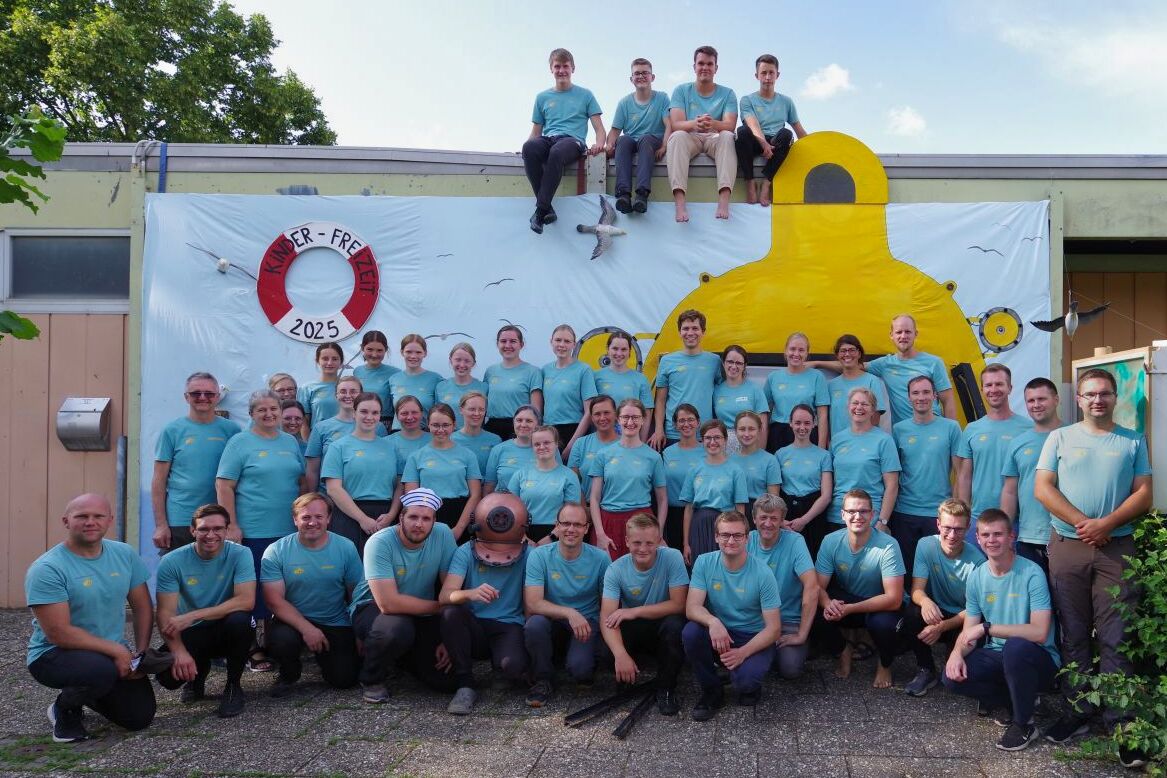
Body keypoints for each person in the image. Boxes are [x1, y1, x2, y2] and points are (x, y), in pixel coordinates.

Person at [1035, 368, 1152, 756]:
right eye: (1090, 394)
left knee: (1116, 635)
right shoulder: (1059, 437)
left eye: (1104, 393)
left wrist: (1107, 524)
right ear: (1079, 399)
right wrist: (1084, 524)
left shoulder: (1133, 440)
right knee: (1074, 632)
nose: (1097, 400)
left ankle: (1121, 723)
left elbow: (1144, 493)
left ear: (1115, 397)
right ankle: (1077, 710)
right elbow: (1043, 488)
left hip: (1116, 547)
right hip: (1068, 546)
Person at [26, 495, 160, 742]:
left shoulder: (124, 554)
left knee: (138, 717)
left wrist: (139, 656)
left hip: (106, 655)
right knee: (100, 670)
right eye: (82, 516)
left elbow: (142, 607)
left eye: (98, 516)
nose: (90, 522)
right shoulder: (47, 568)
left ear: (109, 520)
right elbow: (59, 633)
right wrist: (117, 651)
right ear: (66, 521)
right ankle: (65, 709)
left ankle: (91, 690)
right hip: (53, 654)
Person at [941, 509, 1060, 752]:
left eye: (998, 534)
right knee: (951, 678)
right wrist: (955, 653)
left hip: (1038, 658)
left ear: (1011, 536)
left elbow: (1039, 632)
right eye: (986, 535)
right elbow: (968, 632)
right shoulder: (977, 577)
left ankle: (1024, 724)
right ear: (977, 538)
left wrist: (987, 628)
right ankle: (1019, 702)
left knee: (1015, 647)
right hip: (1000, 655)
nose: (992, 540)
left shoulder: (1032, 573)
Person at [215, 390, 307, 670]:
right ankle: (251, 647)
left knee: (279, 589)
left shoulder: (290, 441)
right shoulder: (240, 443)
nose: (269, 414)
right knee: (253, 591)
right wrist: (231, 524)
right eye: (262, 410)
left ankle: (274, 643)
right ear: (252, 414)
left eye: (273, 409)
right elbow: (224, 485)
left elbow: (301, 480)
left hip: (288, 530)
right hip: (254, 530)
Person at [349, 488, 458, 703]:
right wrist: (441, 607)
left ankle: (402, 660)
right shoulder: (380, 542)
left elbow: (451, 587)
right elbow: (388, 604)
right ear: (401, 518)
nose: (419, 524)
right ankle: (371, 678)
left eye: (426, 519)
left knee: (447, 681)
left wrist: (449, 636)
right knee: (395, 630)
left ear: (434, 521)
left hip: (421, 610)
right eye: (413, 517)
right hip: (374, 606)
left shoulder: (443, 534)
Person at [154, 504, 254, 718]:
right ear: (192, 531)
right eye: (203, 529)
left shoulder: (241, 554)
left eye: (218, 529)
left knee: (241, 621)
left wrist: (194, 615)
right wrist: (179, 652)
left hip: (225, 627)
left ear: (227, 530)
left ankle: (233, 686)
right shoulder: (171, 561)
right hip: (192, 632)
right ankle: (197, 675)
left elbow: (246, 601)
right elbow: (164, 613)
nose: (211, 535)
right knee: (167, 678)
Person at [261, 493, 362, 696]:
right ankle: (289, 673)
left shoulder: (346, 547)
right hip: (292, 621)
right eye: (306, 517)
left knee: (344, 680)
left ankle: (327, 660)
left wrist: (360, 633)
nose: (312, 522)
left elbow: (356, 593)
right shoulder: (276, 551)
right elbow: (274, 601)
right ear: (295, 519)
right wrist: (308, 629)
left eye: (319, 517)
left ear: (329, 518)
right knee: (282, 641)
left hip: (334, 620)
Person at [438, 494, 531, 715]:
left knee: (512, 666)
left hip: (509, 625)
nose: (500, 522)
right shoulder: (465, 551)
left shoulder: (530, 554)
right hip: (474, 627)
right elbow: (445, 596)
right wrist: (470, 594)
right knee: (450, 613)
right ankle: (465, 684)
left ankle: (501, 668)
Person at [683, 510, 781, 719]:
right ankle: (712, 690)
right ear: (716, 537)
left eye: (737, 535)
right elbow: (692, 608)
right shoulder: (704, 562)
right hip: (721, 633)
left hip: (752, 636)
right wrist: (713, 622)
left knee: (745, 684)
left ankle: (746, 678)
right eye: (725, 535)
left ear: (747, 538)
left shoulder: (763, 573)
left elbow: (774, 629)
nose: (731, 541)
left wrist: (742, 653)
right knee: (691, 632)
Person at [814, 489, 906, 689]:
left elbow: (894, 599)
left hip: (881, 604)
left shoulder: (888, 545)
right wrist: (828, 603)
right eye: (851, 511)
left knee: (884, 625)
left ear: (872, 515)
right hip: (849, 599)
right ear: (842, 514)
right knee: (811, 606)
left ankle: (885, 663)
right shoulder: (830, 541)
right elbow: (817, 587)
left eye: (864, 511)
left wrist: (849, 609)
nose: (858, 516)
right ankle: (843, 650)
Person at [600, 513, 688, 715]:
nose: (643, 548)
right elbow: (607, 617)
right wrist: (620, 654)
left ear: (659, 541)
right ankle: (626, 675)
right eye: (637, 542)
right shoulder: (615, 569)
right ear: (627, 541)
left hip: (662, 623)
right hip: (634, 627)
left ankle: (666, 687)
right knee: (607, 651)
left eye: (649, 543)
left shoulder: (672, 557)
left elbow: (679, 604)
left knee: (676, 625)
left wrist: (634, 610)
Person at [523, 504, 611, 706]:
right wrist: (570, 613)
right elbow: (533, 603)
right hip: (551, 618)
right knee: (534, 625)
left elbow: (608, 602)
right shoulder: (539, 555)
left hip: (586, 621)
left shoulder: (600, 558)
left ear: (586, 528)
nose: (571, 529)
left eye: (578, 525)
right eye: (566, 523)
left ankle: (584, 660)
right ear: (557, 526)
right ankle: (543, 679)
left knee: (581, 670)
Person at [901, 498, 984, 697]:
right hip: (938, 611)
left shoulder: (978, 562)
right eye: (947, 528)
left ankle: (955, 656)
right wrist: (925, 601)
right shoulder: (926, 545)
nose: (952, 535)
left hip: (964, 618)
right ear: (938, 524)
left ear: (968, 528)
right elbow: (917, 590)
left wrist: (942, 627)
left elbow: (975, 611)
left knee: (957, 678)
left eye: (959, 529)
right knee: (912, 612)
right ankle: (926, 669)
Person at [152, 371, 240, 551]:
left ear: (217, 397)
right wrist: (161, 525)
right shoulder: (172, 431)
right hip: (181, 520)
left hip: (219, 520)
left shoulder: (232, 431)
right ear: (186, 397)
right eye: (196, 393)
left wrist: (233, 523)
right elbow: (158, 480)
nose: (202, 397)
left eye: (209, 394)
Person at [523, 47, 605, 233]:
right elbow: (536, 131)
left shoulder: (586, 95)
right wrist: (525, 149)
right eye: (557, 66)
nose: (561, 70)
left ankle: (540, 211)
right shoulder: (542, 97)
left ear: (573, 68)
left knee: (557, 152)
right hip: (548, 138)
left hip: (572, 141)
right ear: (551, 69)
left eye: (565, 66)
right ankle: (547, 209)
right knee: (529, 148)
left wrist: (599, 144)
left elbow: (599, 129)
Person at [891, 375, 962, 573]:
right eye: (915, 393)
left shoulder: (951, 428)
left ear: (935, 395)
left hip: (939, 513)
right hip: (904, 512)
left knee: (938, 573)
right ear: (908, 397)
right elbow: (893, 475)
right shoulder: (898, 430)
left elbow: (961, 472)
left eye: (925, 392)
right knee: (906, 573)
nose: (921, 397)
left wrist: (956, 511)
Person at [957, 364, 1031, 540]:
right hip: (977, 519)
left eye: (999, 384)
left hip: (1017, 521)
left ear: (1010, 388)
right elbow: (964, 476)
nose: (993, 389)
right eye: (988, 385)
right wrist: (964, 516)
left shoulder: (1028, 429)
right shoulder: (972, 429)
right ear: (982, 389)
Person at [747, 494, 817, 679]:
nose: (768, 523)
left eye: (774, 518)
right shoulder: (746, 540)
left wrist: (802, 634)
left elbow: (811, 586)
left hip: (787, 621)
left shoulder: (795, 541)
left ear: (782, 520)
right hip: (754, 620)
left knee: (790, 670)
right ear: (754, 519)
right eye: (763, 517)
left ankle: (795, 647)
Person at [321, 392, 399, 556]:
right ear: (354, 413)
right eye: (364, 411)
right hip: (349, 515)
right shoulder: (338, 447)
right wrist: (362, 519)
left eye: (375, 412)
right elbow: (333, 489)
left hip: (383, 518)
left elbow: (399, 485)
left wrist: (391, 515)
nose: (369, 417)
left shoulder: (391, 447)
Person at [589, 398, 668, 560]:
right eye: (625, 417)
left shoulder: (653, 457)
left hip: (642, 523)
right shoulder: (603, 455)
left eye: (635, 417)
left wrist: (658, 533)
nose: (630, 422)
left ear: (643, 420)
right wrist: (600, 534)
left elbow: (662, 499)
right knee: (608, 571)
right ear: (618, 419)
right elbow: (595, 498)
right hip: (609, 522)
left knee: (641, 571)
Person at [666, 45, 738, 222]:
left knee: (728, 136)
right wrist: (695, 123)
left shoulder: (728, 93)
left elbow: (730, 125)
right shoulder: (681, 90)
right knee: (676, 137)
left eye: (709, 64)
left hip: (715, 137)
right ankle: (680, 203)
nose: (705, 67)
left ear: (716, 68)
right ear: (694, 67)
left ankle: (724, 199)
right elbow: (676, 124)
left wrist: (713, 123)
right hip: (691, 137)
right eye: (701, 63)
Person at [1000, 378, 1062, 574]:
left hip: (1065, 535)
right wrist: (1004, 531)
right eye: (1031, 400)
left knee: (1064, 593)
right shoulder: (1018, 443)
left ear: (1056, 400)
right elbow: (1010, 491)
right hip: (1028, 537)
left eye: (1042, 399)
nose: (1036, 405)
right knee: (1032, 592)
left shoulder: (1073, 436)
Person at [734, 54, 807, 206]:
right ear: (757, 76)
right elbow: (752, 124)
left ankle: (767, 183)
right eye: (763, 73)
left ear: (777, 75)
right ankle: (750, 183)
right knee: (742, 132)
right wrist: (763, 144)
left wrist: (817, 148)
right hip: (756, 141)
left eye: (771, 73)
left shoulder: (786, 102)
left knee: (787, 134)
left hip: (775, 145)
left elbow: (799, 131)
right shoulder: (747, 100)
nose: (767, 77)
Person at [401, 403, 481, 540]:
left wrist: (459, 528)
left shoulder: (468, 455)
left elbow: (476, 495)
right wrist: (423, 523)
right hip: (426, 514)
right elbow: (411, 498)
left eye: (445, 425)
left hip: (460, 515)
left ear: (454, 425)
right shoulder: (416, 457)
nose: (440, 430)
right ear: (428, 425)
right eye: (435, 425)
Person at [827, 387, 900, 535]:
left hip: (869, 518)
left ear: (873, 410)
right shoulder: (837, 440)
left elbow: (892, 485)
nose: (859, 407)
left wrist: (882, 521)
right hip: (837, 516)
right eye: (855, 403)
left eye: (865, 404)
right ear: (848, 407)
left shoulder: (884, 440)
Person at [604, 58, 671, 214]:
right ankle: (623, 195)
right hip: (631, 140)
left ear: (652, 77)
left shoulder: (662, 98)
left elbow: (669, 124)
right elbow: (615, 131)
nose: (641, 76)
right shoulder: (624, 103)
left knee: (645, 139)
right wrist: (609, 146)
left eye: (645, 73)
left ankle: (642, 195)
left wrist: (664, 146)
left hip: (651, 140)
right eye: (637, 73)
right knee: (622, 140)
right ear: (631, 78)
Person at [650, 309, 722, 450]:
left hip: (704, 433)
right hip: (673, 433)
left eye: (695, 328)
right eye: (686, 328)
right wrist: (658, 429)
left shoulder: (714, 361)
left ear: (703, 332)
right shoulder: (667, 361)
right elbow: (660, 400)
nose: (690, 333)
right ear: (679, 332)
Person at [864, 314, 955, 425]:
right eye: (899, 332)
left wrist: (951, 430)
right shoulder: (884, 364)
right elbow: (856, 366)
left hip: (934, 427)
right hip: (903, 432)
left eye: (907, 332)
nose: (903, 336)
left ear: (915, 334)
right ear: (891, 335)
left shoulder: (934, 363)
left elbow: (947, 400)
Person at [306, 376, 387, 492]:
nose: (348, 395)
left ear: (361, 395)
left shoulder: (378, 427)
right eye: (343, 392)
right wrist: (312, 496)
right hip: (329, 497)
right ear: (336, 395)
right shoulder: (321, 428)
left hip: (364, 495)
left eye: (353, 392)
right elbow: (312, 471)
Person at [682, 419, 747, 563]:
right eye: (708, 438)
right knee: (700, 567)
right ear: (702, 440)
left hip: (726, 527)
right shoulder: (694, 470)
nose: (712, 442)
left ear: (725, 440)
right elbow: (688, 509)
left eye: (717, 437)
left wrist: (740, 536)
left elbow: (740, 509)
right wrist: (686, 543)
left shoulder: (735, 471)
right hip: (699, 527)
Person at [775, 404, 834, 557]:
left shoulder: (824, 455)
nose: (802, 427)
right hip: (787, 516)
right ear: (790, 423)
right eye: (798, 423)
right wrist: (781, 520)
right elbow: (775, 493)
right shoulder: (780, 454)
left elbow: (826, 496)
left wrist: (804, 520)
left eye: (807, 423)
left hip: (813, 514)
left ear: (814, 424)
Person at [509, 425, 582, 545]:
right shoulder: (520, 475)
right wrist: (523, 537)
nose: (542, 447)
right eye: (537, 444)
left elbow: (571, 513)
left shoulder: (569, 476)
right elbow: (511, 510)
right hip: (524, 535)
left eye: (547, 442)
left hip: (558, 535)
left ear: (556, 444)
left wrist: (552, 537)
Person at [765, 332, 829, 453]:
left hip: (807, 434)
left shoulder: (817, 377)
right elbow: (764, 415)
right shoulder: (773, 377)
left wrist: (821, 449)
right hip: (778, 435)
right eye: (792, 349)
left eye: (801, 350)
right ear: (785, 351)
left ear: (807, 353)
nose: (796, 354)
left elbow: (822, 415)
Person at [542, 324, 598, 459]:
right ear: (551, 341)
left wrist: (572, 445)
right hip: (549, 432)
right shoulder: (545, 370)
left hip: (574, 431)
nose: (562, 345)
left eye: (567, 341)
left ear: (574, 344)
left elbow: (589, 412)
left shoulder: (583, 370)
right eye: (558, 340)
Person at [484, 325, 544, 439]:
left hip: (520, 428)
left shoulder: (532, 372)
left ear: (521, 344)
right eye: (503, 341)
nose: (508, 345)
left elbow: (536, 411)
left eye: (513, 341)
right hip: (492, 428)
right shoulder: (490, 371)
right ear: (497, 344)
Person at [826, 334, 888, 439]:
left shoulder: (872, 381)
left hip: (865, 443)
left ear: (859, 353)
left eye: (852, 350)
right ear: (837, 355)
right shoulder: (831, 385)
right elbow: (827, 420)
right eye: (843, 351)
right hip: (839, 444)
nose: (847, 354)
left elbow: (875, 418)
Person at [661, 403, 704, 550]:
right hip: (672, 515)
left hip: (698, 513)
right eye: (681, 420)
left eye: (690, 420)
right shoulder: (667, 453)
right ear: (675, 425)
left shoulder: (707, 451)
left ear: (698, 423)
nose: (686, 424)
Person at [713, 345, 769, 453]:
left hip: (749, 445)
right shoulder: (716, 391)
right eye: (730, 362)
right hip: (723, 448)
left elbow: (763, 427)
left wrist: (760, 454)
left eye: (738, 363)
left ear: (744, 366)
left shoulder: (755, 389)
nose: (734, 366)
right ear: (723, 363)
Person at [568, 394, 619, 510]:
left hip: (616, 510)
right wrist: (584, 510)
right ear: (591, 418)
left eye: (606, 413)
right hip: (587, 508)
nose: (602, 418)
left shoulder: (625, 444)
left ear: (616, 414)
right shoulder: (580, 444)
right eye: (597, 414)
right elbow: (573, 481)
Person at [484, 405, 546, 494]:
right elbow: (489, 486)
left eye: (529, 421)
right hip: (505, 501)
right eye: (519, 420)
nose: (523, 425)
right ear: (513, 423)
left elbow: (557, 480)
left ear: (538, 425)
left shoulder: (548, 449)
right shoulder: (498, 450)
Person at [731, 411, 781, 519]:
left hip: (760, 514)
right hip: (733, 515)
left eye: (751, 429)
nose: (746, 434)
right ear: (735, 431)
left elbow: (773, 499)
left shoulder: (770, 460)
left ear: (760, 430)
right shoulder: (729, 461)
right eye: (742, 429)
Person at [386, 334, 442, 430]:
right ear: (402, 352)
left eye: (418, 352)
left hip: (424, 434)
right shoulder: (393, 379)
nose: (413, 356)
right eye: (409, 352)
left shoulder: (436, 379)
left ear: (425, 353)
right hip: (397, 433)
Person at [593, 331, 653, 415]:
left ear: (629, 352)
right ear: (607, 349)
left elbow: (646, 414)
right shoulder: (595, 377)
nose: (619, 353)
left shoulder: (641, 379)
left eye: (624, 349)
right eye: (615, 348)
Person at [436, 343, 488, 429]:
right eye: (458, 360)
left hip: (474, 435)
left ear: (473, 363)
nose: (462, 365)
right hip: (447, 436)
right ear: (451, 360)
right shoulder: (440, 387)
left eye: (467, 361)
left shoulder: (484, 388)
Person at [353, 330, 400, 422]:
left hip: (385, 422)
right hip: (361, 421)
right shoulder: (357, 371)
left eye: (379, 350)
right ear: (362, 348)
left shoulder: (395, 373)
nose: (374, 355)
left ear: (386, 350)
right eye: (370, 349)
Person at [452, 390, 502, 474]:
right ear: (461, 410)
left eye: (481, 409)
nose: (477, 413)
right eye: (472, 409)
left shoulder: (495, 440)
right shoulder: (451, 439)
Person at [298, 341, 343, 432]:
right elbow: (303, 423)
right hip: (319, 438)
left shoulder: (349, 386)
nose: (329, 363)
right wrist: (310, 441)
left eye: (334, 359)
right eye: (325, 359)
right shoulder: (307, 388)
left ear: (341, 362)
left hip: (346, 437)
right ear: (317, 361)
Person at [390, 395, 433, 479]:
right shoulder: (387, 442)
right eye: (404, 413)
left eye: (414, 412)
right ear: (397, 416)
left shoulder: (434, 440)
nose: (409, 417)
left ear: (422, 414)